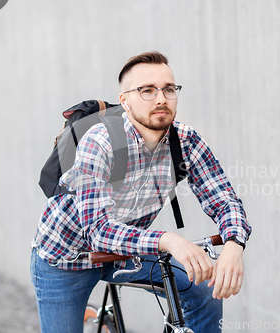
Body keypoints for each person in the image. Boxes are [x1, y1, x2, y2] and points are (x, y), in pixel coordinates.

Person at [30, 51, 252, 333]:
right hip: (66, 258)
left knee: (205, 293)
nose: (161, 99)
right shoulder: (101, 142)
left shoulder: (185, 141)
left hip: (127, 251)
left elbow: (224, 199)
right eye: (147, 90)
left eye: (169, 89)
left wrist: (234, 244)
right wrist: (168, 239)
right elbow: (97, 231)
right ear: (125, 101)